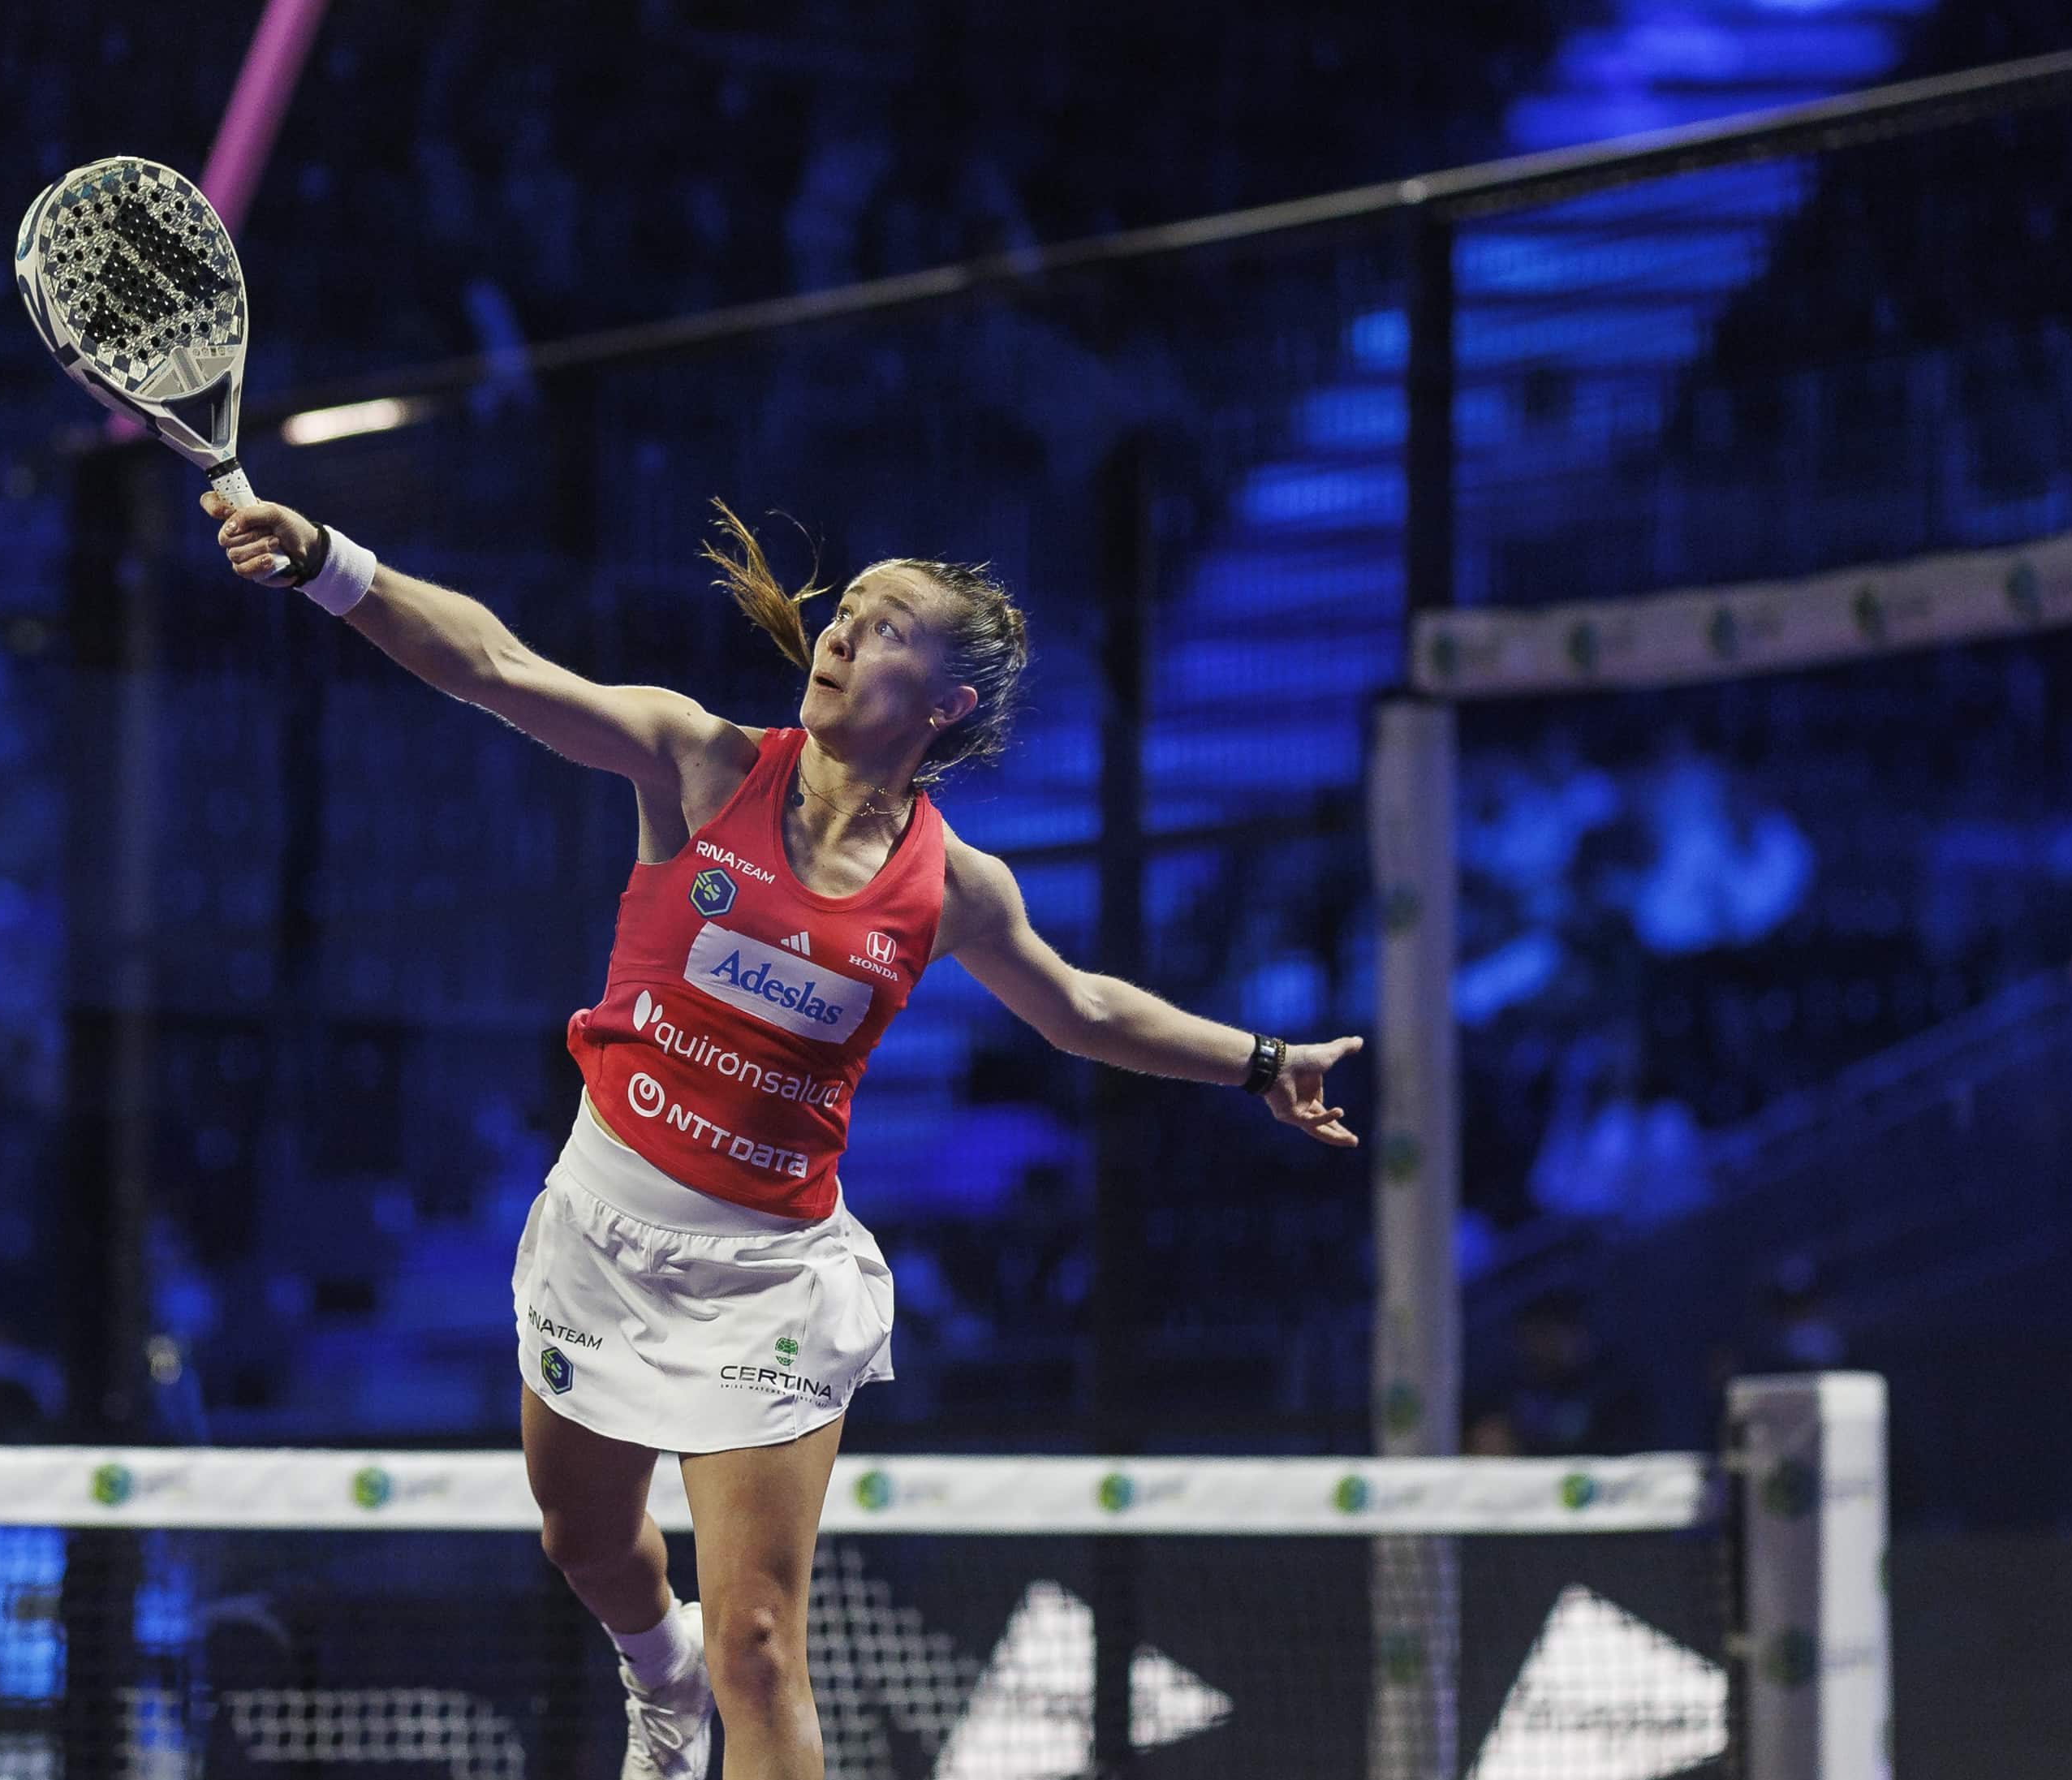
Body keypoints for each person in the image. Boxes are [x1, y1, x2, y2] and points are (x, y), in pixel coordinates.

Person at [206, 491, 1361, 1779]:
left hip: (768, 1275)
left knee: (759, 1635)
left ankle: (707, 1673)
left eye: (887, 628)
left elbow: (1082, 1008)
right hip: (605, 1221)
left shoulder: (953, 886)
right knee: (585, 1542)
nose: (843, 630)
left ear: (946, 708)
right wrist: (328, 565)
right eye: (847, 610)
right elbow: (494, 666)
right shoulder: (698, 761)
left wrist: (1259, 1060)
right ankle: (659, 1676)